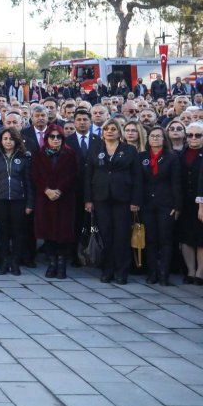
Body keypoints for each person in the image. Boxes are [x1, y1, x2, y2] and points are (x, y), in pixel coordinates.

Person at [84, 119, 142, 284]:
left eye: (113, 129)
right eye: (106, 129)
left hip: (123, 198)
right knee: (105, 234)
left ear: (119, 132)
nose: (109, 131)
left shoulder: (129, 150)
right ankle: (107, 269)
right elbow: (88, 175)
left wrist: (135, 201)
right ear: (102, 132)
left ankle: (122, 270)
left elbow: (137, 178)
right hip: (101, 198)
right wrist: (88, 199)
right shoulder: (95, 149)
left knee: (122, 235)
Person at [30, 125, 77, 280]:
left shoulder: (69, 154)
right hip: (45, 199)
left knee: (62, 232)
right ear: (47, 138)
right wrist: (46, 190)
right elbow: (35, 175)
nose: (55, 140)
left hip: (64, 199)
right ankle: (52, 263)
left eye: (58, 137)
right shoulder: (39, 154)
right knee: (47, 231)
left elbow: (72, 175)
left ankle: (61, 264)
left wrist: (59, 190)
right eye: (52, 137)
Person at [0, 128, 34, 275]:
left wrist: (29, 203)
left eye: (11, 139)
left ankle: (15, 262)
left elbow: (28, 182)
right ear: (1, 140)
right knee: (3, 232)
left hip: (18, 199)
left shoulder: (24, 156)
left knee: (18, 232)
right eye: (5, 138)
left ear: (17, 140)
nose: (8, 142)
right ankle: (3, 261)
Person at [140, 126, 182, 286]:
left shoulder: (172, 157)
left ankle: (164, 273)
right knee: (150, 239)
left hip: (166, 204)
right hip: (147, 204)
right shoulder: (141, 157)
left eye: (158, 136)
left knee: (165, 240)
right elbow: (139, 182)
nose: (155, 138)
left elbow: (176, 183)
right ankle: (152, 272)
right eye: (152, 136)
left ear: (164, 139)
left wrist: (177, 205)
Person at [178, 122, 203, 284]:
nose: (193, 138)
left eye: (198, 135)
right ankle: (190, 271)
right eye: (190, 135)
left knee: (201, 238)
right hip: (184, 202)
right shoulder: (181, 153)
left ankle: (200, 273)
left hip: (200, 201)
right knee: (186, 236)